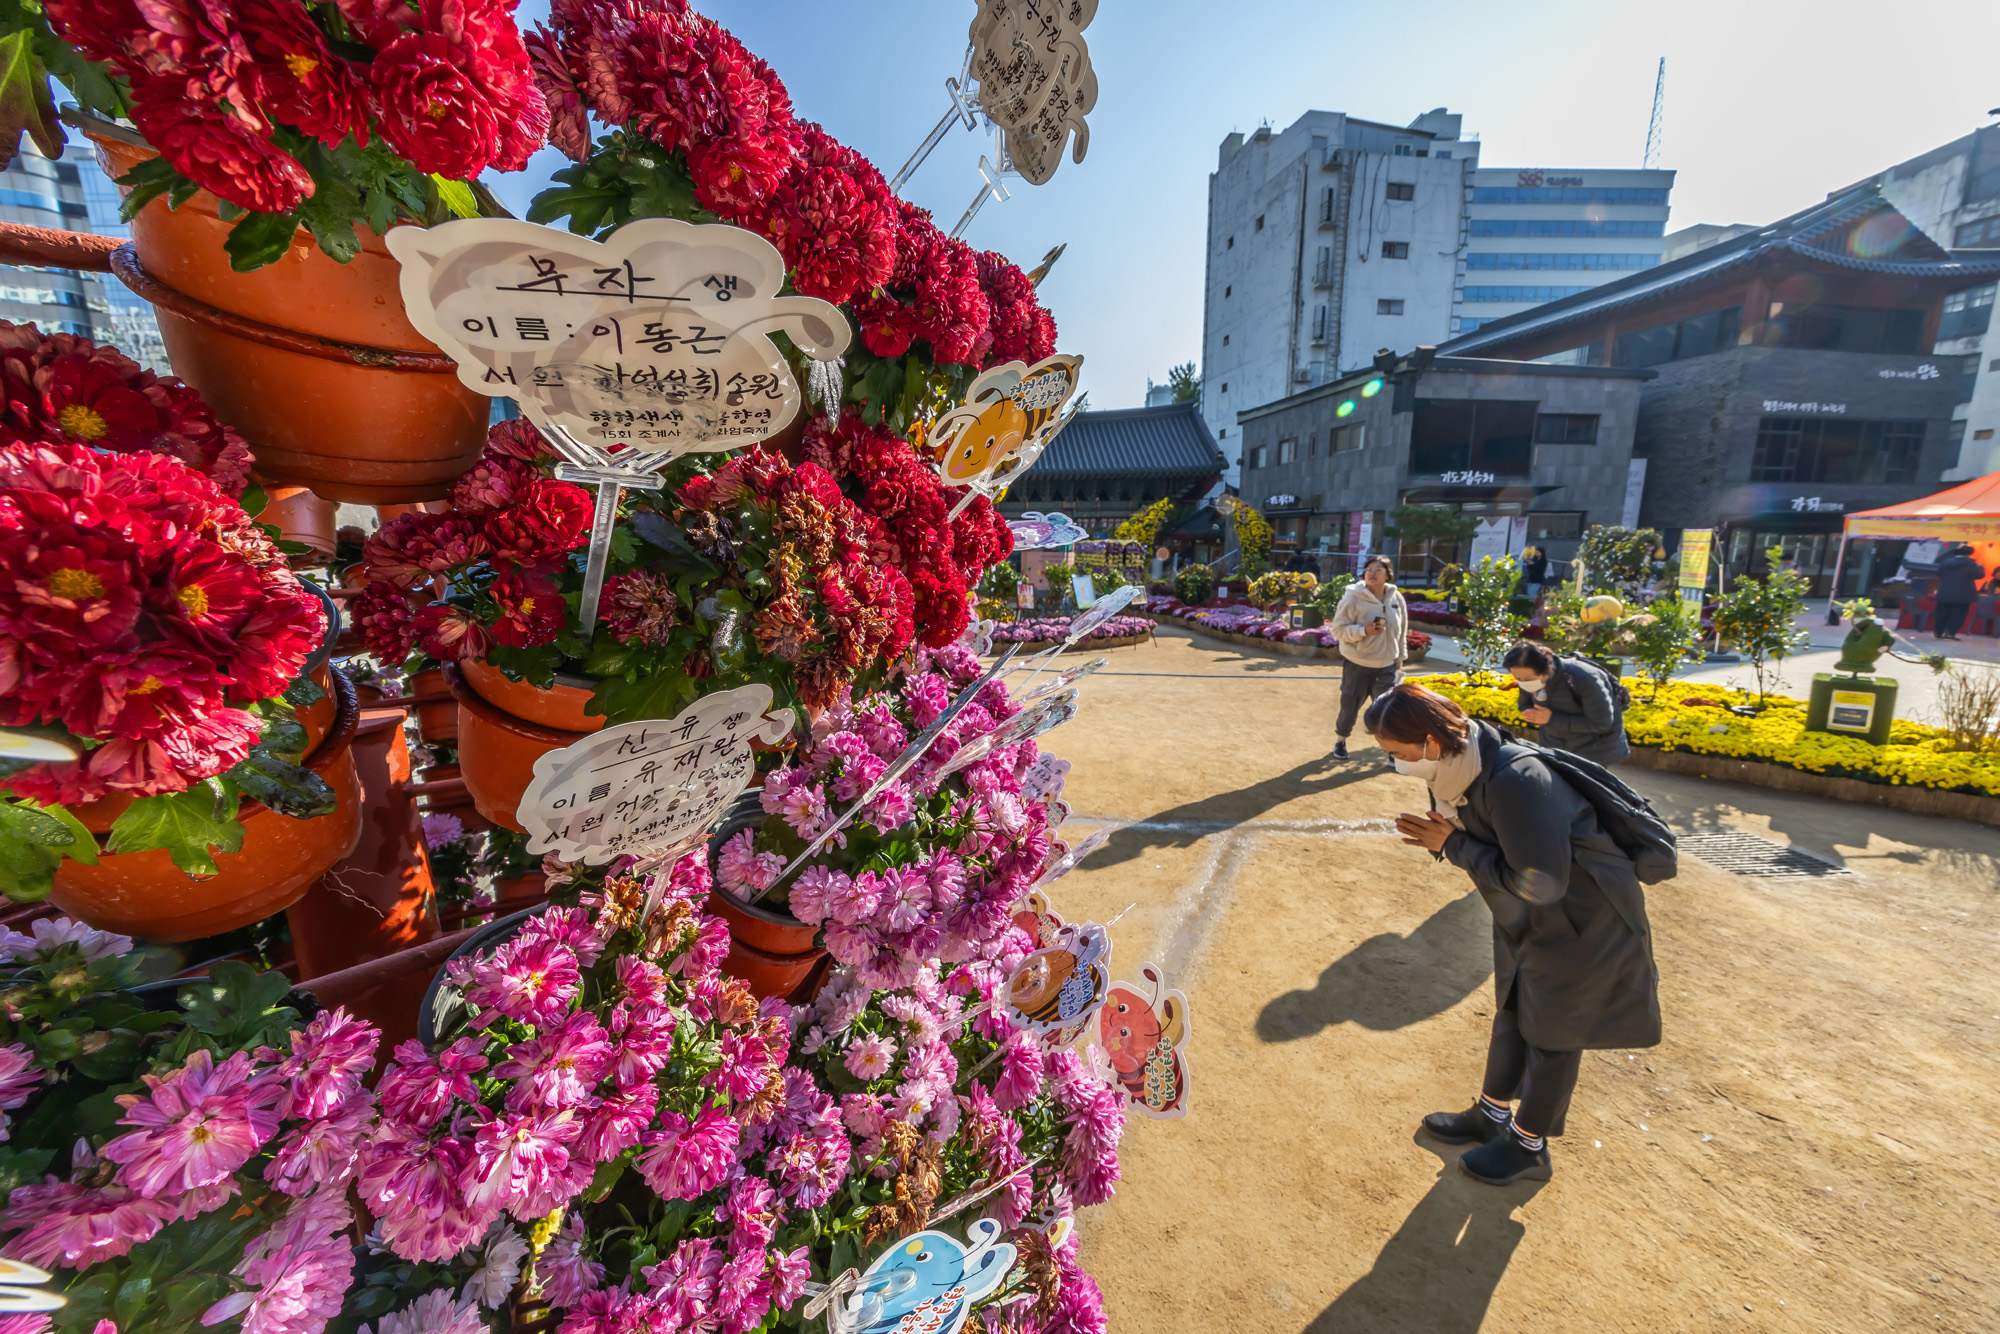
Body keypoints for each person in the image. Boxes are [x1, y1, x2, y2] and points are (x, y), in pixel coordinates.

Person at [1366, 682, 1662, 1186]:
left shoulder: (1515, 781)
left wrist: (1454, 846)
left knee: (1553, 1032)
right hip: (1527, 918)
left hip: (1583, 924)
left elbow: (1543, 883)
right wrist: (1450, 842)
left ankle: (1529, 1147)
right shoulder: (1461, 768)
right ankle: (1492, 1113)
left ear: (1432, 742)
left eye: (1398, 752)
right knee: (1513, 1012)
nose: (1395, 763)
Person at [1328, 555, 1408, 759]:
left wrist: (1399, 660)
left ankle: (1390, 750)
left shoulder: (1396, 598)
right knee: (1350, 706)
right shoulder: (1353, 597)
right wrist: (1363, 631)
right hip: (1358, 664)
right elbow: (1338, 629)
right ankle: (1341, 740)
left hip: (1387, 664)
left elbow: (1402, 631)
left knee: (1387, 711)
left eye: (1378, 570)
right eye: (1369, 569)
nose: (1372, 573)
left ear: (1388, 574)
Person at [1502, 641, 1630, 766]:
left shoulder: (1583, 678)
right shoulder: (1527, 677)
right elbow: (1524, 704)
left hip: (1594, 751)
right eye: (1518, 679)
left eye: (1527, 679)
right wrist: (1530, 713)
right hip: (1554, 746)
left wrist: (1551, 719)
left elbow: (1602, 722)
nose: (1523, 683)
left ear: (1546, 669)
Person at [1933, 543, 1983, 641]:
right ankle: (1950, 633)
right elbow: (1979, 575)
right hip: (1963, 595)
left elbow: (1938, 573)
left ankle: (1938, 632)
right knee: (1958, 615)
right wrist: (1980, 567)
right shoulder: (1970, 564)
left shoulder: (1945, 562)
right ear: (1969, 553)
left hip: (1944, 593)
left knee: (1941, 613)